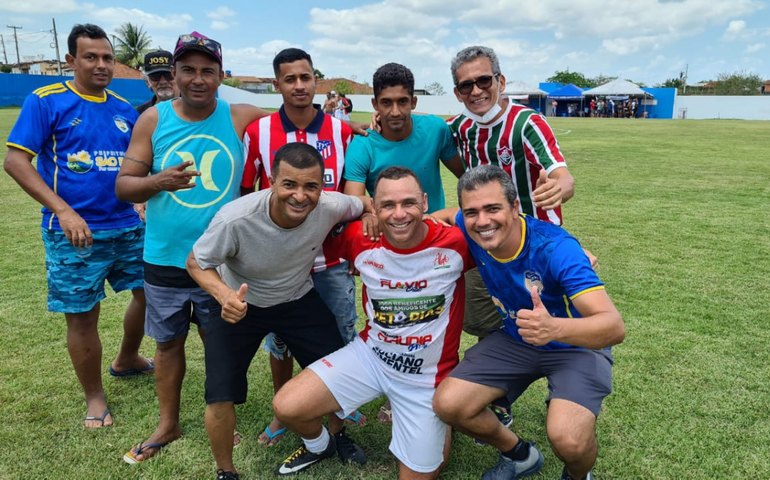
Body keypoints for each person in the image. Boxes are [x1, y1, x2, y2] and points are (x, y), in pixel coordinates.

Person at [115, 31, 269, 464]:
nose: (198, 79)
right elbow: (124, 186)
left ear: (221, 75)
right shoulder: (154, 119)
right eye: (188, 70)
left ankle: (221, 421)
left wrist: (356, 127)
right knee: (167, 345)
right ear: (175, 74)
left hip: (218, 260)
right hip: (164, 257)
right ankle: (168, 424)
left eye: (207, 70)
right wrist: (158, 181)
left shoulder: (240, 115)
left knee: (219, 345)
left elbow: (295, 122)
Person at [273, 166, 473, 478]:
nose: (399, 214)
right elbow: (303, 229)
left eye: (408, 203)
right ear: (374, 208)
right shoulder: (360, 237)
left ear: (424, 202)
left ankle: (441, 419)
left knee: (423, 473)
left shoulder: (456, 242)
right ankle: (320, 445)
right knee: (287, 406)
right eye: (387, 205)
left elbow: (502, 229)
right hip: (371, 358)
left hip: (427, 377)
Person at [186, 143, 370, 480]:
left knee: (338, 370)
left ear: (322, 187)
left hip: (296, 298)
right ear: (271, 181)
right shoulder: (235, 218)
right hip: (239, 304)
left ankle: (336, 437)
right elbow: (196, 262)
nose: (300, 196)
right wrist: (224, 296)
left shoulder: (331, 205)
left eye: (311, 186)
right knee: (220, 392)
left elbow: (364, 203)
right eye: (289, 184)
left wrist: (369, 215)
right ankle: (226, 471)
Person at [433, 165, 625, 480]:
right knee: (449, 404)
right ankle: (520, 455)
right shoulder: (471, 228)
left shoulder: (556, 248)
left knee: (569, 439)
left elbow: (613, 326)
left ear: (514, 207)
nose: (482, 221)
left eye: (493, 208)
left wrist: (554, 328)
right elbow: (443, 216)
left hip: (576, 345)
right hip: (517, 338)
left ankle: (577, 476)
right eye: (472, 212)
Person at [3, 23, 152, 429]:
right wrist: (64, 211)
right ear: (71, 60)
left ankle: (127, 358)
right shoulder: (46, 100)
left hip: (128, 226)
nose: (101, 65)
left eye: (107, 58)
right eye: (91, 57)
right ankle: (95, 397)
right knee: (83, 315)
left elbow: (135, 165)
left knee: (150, 295)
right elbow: (16, 162)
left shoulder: (124, 108)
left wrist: (140, 199)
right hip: (75, 233)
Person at [239, 47, 364, 446]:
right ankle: (284, 409)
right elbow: (245, 194)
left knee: (340, 332)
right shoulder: (257, 132)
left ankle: (339, 406)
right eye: (289, 79)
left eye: (305, 77)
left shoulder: (343, 132)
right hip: (278, 263)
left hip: (331, 258)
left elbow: (352, 195)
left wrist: (355, 249)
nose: (298, 85)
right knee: (280, 340)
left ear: (315, 81)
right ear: (277, 84)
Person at [447, 45, 576, 426]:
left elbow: (561, 173)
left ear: (500, 81)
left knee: (553, 315)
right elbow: (423, 131)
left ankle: (563, 386)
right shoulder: (461, 128)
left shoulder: (526, 123)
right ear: (457, 92)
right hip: (487, 241)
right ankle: (503, 385)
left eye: (483, 80)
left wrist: (559, 188)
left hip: (537, 245)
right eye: (466, 85)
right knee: (485, 316)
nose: (476, 90)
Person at [343, 62, 464, 423]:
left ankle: (448, 388)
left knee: (443, 322)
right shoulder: (364, 145)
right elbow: (352, 197)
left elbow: (465, 174)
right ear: (374, 105)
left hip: (438, 243)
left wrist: (454, 215)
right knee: (398, 321)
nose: (395, 111)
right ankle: (396, 390)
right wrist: (369, 208)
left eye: (402, 101)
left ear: (414, 101)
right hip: (393, 247)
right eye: (386, 102)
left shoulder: (435, 130)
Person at [136, 49, 179, 114]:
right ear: (147, 82)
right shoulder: (140, 113)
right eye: (155, 76)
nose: (163, 82)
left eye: (168, 75)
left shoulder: (193, 108)